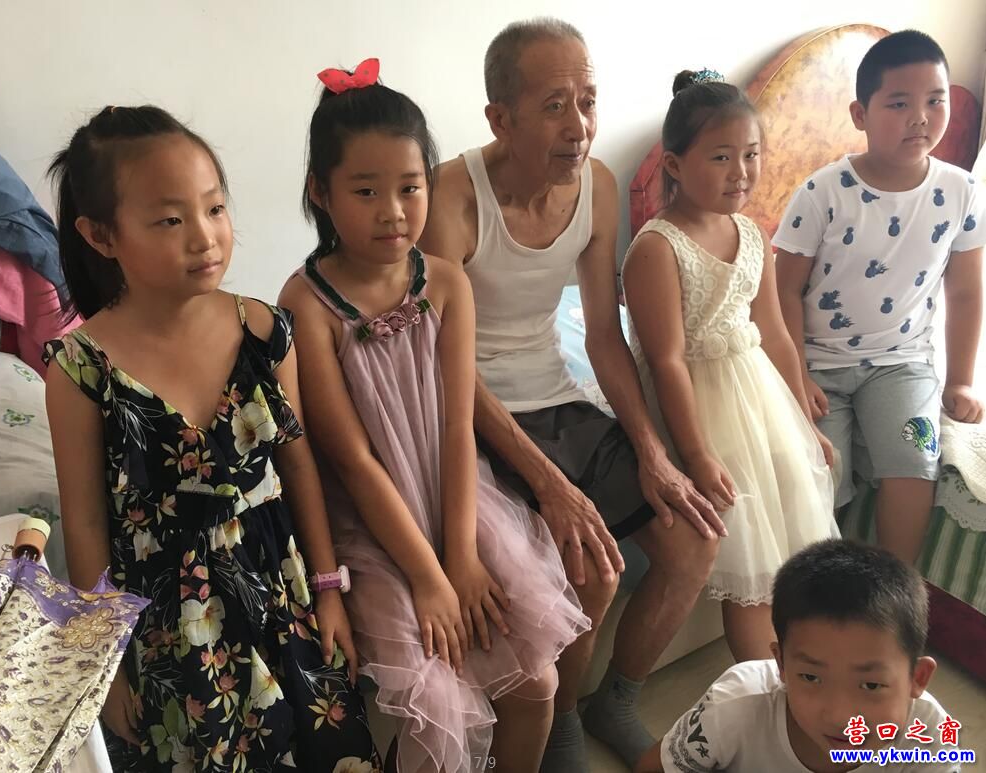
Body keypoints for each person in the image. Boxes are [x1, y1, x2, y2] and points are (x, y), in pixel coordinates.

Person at [420, 19, 724, 771]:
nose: (580, 126)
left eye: (588, 101)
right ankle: (560, 722)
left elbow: (602, 337)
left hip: (556, 395)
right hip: (470, 409)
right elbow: (443, 363)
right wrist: (551, 483)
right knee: (589, 563)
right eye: (554, 105)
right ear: (500, 118)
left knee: (694, 539)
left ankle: (614, 698)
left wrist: (652, 452)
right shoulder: (451, 197)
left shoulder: (598, 187)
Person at [43, 106, 380, 772]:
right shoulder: (80, 369)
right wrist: (104, 665)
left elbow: (298, 465)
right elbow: (83, 524)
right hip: (165, 624)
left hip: (278, 592)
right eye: (170, 220)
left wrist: (328, 587)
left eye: (215, 208)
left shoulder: (265, 331)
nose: (205, 237)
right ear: (101, 235)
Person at [279, 61, 590, 773]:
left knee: (537, 684)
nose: (393, 211)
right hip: (375, 526)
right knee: (435, 713)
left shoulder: (445, 282)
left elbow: (457, 428)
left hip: (456, 503)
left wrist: (463, 555)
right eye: (366, 191)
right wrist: (431, 576)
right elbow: (353, 459)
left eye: (410, 187)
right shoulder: (305, 302)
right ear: (321, 193)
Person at [623, 69, 838, 662]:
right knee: (754, 575)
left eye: (751, 154)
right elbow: (666, 361)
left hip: (757, 396)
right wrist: (695, 456)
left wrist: (805, 424)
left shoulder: (752, 234)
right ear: (673, 165)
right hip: (696, 408)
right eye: (721, 157)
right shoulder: (657, 248)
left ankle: (799, 671)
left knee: (791, 548)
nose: (740, 172)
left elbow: (775, 335)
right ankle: (762, 687)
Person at [774, 30, 986, 565]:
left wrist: (961, 380)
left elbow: (965, 291)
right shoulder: (822, 193)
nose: (921, 118)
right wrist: (796, 377)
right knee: (818, 472)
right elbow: (783, 291)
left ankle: (894, 590)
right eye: (899, 104)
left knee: (916, 459)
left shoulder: (961, 192)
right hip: (818, 364)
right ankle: (816, 590)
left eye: (935, 101)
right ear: (860, 114)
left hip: (903, 363)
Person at [636, 539, 962, 772]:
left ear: (917, 678)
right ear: (781, 664)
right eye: (811, 677)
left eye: (871, 685)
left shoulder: (931, 736)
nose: (840, 716)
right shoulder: (734, 708)